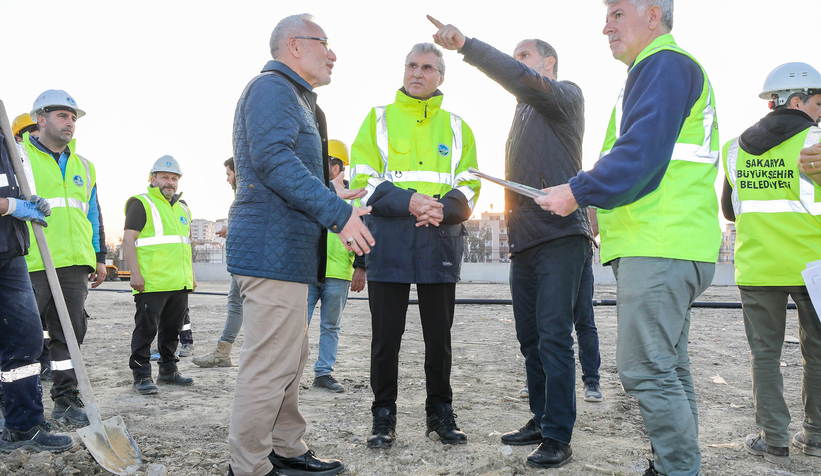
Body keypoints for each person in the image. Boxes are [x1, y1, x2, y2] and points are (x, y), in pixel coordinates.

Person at [534, 1, 721, 475]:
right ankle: (675, 464)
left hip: (659, 244)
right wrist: (598, 203)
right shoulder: (663, 68)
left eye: (617, 13)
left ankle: (678, 469)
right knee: (669, 366)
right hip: (675, 243)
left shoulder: (663, 65)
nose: (606, 27)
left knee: (646, 368)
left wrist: (578, 192)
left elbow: (641, 153)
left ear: (652, 15)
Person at [428, 15, 596, 467]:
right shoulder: (522, 113)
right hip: (524, 241)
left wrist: (467, 46)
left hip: (561, 235)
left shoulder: (566, 96)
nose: (518, 61)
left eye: (525, 55)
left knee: (554, 336)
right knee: (530, 338)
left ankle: (558, 435)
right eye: (517, 55)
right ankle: (541, 419)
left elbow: (519, 78)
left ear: (549, 63)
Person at [226, 13, 373, 476]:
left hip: (287, 253)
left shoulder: (295, 97)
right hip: (271, 251)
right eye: (324, 43)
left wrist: (331, 194)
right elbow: (273, 161)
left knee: (289, 358)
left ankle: (285, 448)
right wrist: (337, 213)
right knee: (270, 364)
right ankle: (248, 466)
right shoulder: (272, 89)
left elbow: (287, 169)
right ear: (294, 45)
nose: (333, 54)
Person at [349, 42, 480, 449]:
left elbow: (470, 183)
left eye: (426, 67)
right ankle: (383, 415)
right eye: (411, 65)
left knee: (439, 339)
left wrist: (442, 209)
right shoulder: (378, 119)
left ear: (440, 76)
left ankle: (440, 414)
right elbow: (363, 178)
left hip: (439, 240)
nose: (417, 73)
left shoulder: (457, 127)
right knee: (385, 338)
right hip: (388, 240)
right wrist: (409, 201)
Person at [720, 62, 821, 465]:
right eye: (818, 102)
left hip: (759, 267)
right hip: (813, 266)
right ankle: (816, 436)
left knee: (764, 355)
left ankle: (774, 438)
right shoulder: (816, 140)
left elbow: (729, 211)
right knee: (817, 354)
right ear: (796, 101)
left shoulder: (734, 148)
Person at [20, 89, 109, 427]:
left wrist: (98, 255)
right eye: (62, 116)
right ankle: (14, 402)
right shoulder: (18, 157)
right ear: (40, 120)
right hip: (31, 259)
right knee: (22, 336)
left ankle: (66, 398)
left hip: (74, 262)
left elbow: (92, 214)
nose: (70, 122)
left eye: (73, 117)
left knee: (71, 333)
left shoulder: (85, 166)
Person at [0, 127, 73, 452]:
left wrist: (27, 202)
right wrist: (10, 205)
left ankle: (23, 426)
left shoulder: (8, 143)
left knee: (26, 339)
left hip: (11, 251)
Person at [122, 156, 196, 395]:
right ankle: (141, 375)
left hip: (178, 281)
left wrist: (191, 276)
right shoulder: (141, 203)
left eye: (174, 178)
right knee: (146, 331)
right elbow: (128, 240)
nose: (170, 182)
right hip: (151, 282)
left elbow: (185, 245)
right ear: (152, 179)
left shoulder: (183, 208)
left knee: (172, 330)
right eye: (165, 177)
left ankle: (168, 370)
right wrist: (135, 274)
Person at [308, 139, 367, 393]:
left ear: (336, 167)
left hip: (339, 272)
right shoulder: (310, 194)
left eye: (324, 163)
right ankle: (288, 374)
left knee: (330, 326)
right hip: (308, 271)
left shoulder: (355, 199)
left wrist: (361, 267)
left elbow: (365, 231)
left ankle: (323, 373)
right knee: (296, 326)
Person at [10, 113, 50, 382]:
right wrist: (14, 205)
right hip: (23, 257)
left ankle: (43, 365)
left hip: (27, 251)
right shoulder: (12, 159)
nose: (34, 138)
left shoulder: (30, 161)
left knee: (35, 328)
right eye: (28, 134)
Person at [193, 157, 244, 368]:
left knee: (237, 305)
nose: (227, 179)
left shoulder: (247, 196)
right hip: (242, 261)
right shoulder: (245, 194)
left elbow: (251, 227)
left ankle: (223, 354)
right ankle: (224, 353)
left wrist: (230, 231)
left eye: (228, 174)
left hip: (246, 262)